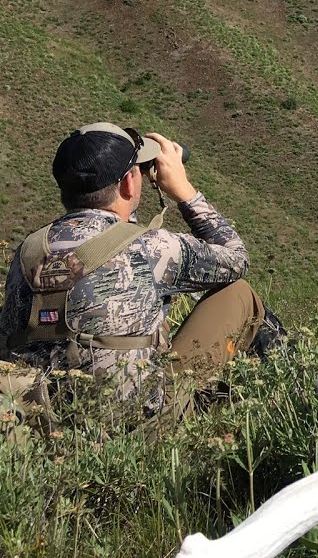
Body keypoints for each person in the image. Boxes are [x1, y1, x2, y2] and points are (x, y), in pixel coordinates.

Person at [0, 122, 272, 415]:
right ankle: (285, 388)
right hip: (133, 423)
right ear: (129, 182)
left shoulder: (28, 249)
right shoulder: (151, 247)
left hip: (41, 417)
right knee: (238, 293)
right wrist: (184, 192)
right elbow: (236, 258)